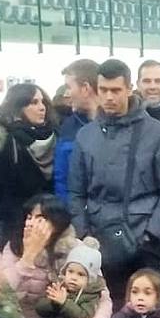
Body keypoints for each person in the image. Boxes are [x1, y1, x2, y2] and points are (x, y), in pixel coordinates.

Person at [69, 59, 160, 300]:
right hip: (99, 240)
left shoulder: (157, 132)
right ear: (96, 89)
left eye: (116, 90)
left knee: (146, 314)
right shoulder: (86, 135)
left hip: (145, 241)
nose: (109, 97)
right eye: (104, 90)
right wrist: (83, 232)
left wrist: (152, 233)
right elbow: (75, 191)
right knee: (105, 314)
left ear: (129, 89)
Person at [0, 81, 56, 249]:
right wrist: (18, 222)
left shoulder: (55, 136)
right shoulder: (6, 141)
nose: (42, 107)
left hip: (52, 226)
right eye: (33, 102)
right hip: (16, 229)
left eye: (43, 101)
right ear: (18, 107)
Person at [49, 57, 101, 208]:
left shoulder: (120, 125)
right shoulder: (68, 127)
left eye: (69, 87)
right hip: (75, 221)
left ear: (85, 88)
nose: (66, 94)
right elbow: (62, 179)